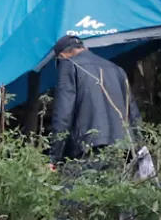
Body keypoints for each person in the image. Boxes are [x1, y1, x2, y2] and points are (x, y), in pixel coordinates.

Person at [49, 35, 139, 168]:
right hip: (123, 149)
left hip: (89, 149)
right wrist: (139, 148)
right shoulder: (117, 69)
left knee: (75, 188)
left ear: (62, 55)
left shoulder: (69, 65)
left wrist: (54, 157)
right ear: (85, 48)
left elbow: (64, 114)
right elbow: (133, 113)